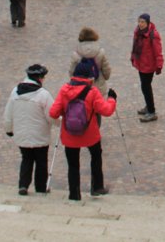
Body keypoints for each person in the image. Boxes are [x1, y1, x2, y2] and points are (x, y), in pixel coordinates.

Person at [48, 59, 117, 201]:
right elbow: (107, 111)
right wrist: (112, 99)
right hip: (90, 134)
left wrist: (65, 112)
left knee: (73, 165)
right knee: (96, 157)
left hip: (69, 135)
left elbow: (53, 113)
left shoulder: (64, 90)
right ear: (89, 77)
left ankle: (74, 194)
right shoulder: (92, 92)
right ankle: (97, 187)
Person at [3, 64, 55, 196]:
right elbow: (52, 115)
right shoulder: (43, 95)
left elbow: (8, 113)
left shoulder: (15, 92)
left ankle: (23, 185)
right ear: (40, 78)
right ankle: (41, 188)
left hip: (22, 135)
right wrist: (60, 123)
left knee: (26, 159)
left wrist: (9, 129)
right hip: (40, 135)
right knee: (41, 162)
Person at [131, 13, 164, 123]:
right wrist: (133, 58)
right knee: (144, 86)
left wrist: (159, 65)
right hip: (141, 64)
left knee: (146, 87)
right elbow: (135, 46)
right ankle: (148, 106)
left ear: (148, 23)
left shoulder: (153, 35)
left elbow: (158, 51)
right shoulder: (137, 31)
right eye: (139, 21)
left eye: (143, 22)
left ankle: (151, 112)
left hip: (148, 66)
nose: (140, 24)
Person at [68, 27, 112, 97]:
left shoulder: (76, 54)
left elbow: (71, 73)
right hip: (99, 88)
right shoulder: (100, 52)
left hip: (81, 89)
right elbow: (107, 72)